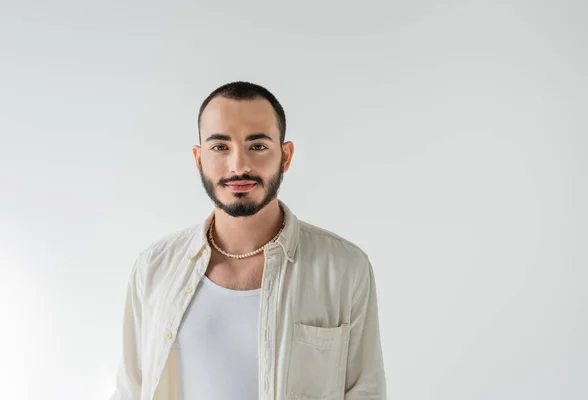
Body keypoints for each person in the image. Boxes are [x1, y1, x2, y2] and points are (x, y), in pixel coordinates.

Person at [110, 81, 387, 400]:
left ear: (285, 156)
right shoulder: (154, 267)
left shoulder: (343, 268)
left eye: (257, 146)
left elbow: (366, 390)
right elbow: (130, 388)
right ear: (198, 159)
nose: (239, 165)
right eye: (220, 147)